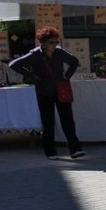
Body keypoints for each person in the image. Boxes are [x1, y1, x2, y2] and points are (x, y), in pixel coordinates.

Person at [10, 27, 85, 159]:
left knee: (67, 121)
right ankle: (50, 152)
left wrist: (66, 77)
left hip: (60, 91)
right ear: (43, 42)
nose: (54, 45)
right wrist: (32, 76)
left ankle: (75, 149)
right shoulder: (35, 55)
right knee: (48, 122)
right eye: (51, 42)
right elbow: (14, 64)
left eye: (56, 42)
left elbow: (74, 62)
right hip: (44, 92)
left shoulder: (60, 53)